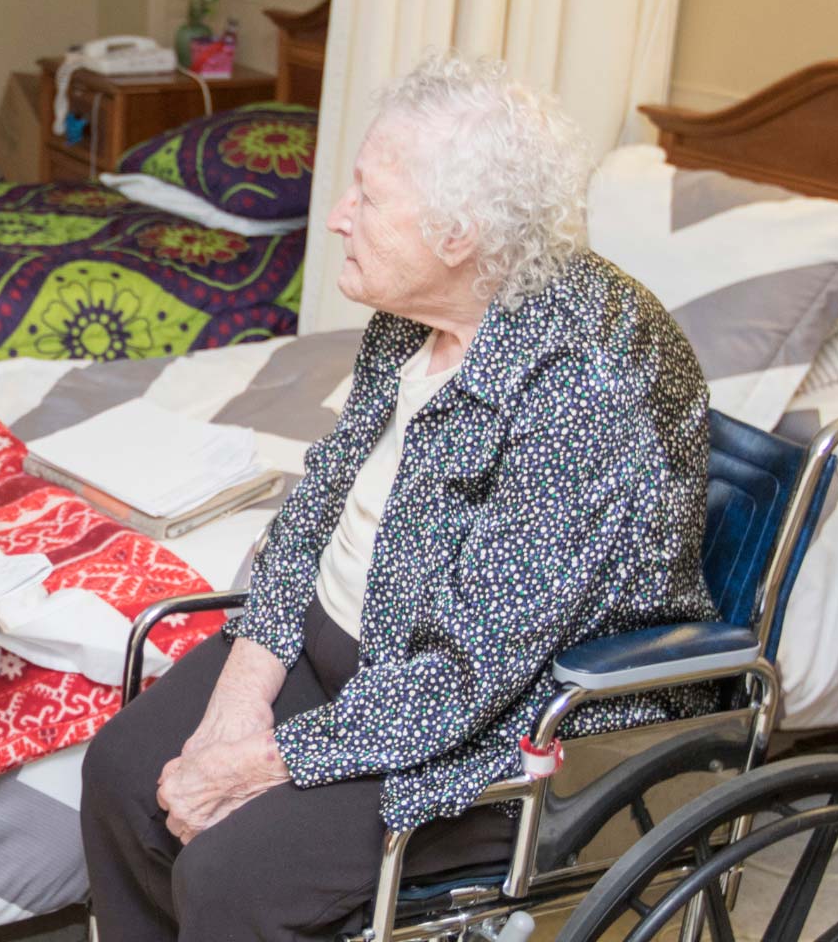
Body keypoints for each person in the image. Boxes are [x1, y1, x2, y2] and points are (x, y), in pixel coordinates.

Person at [77, 54, 715, 941]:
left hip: (484, 722)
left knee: (233, 877)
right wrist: (239, 695)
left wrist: (252, 764)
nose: (338, 217)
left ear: (457, 235)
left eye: (368, 198)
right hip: (341, 655)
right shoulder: (414, 315)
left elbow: (466, 676)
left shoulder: (584, 384)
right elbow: (320, 498)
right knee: (122, 774)